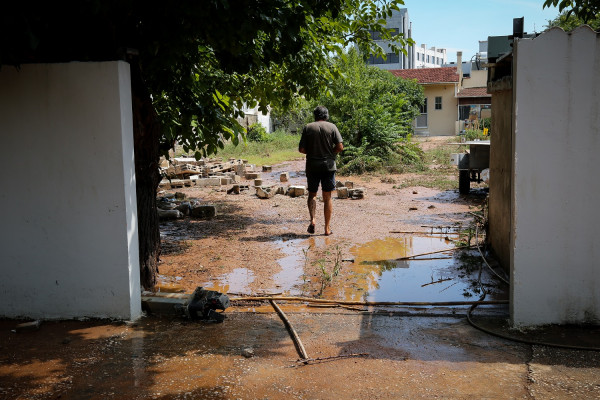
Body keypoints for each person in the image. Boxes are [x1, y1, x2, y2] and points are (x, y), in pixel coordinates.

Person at [298, 106, 343, 236]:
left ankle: (312, 220)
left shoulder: (308, 127)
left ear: (315, 116)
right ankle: (327, 229)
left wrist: (312, 152)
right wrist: (330, 153)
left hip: (312, 165)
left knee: (312, 194)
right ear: (326, 115)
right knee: (327, 196)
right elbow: (340, 146)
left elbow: (301, 149)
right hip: (328, 166)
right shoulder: (332, 127)